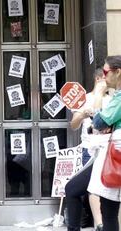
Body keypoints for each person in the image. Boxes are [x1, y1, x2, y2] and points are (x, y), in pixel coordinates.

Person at [65, 68, 111, 231]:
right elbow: (74, 124)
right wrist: (83, 114)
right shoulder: (84, 99)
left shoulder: (113, 100)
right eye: (106, 77)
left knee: (97, 190)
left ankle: (99, 224)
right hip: (89, 150)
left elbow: (101, 124)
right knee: (88, 188)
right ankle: (98, 223)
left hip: (107, 152)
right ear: (98, 79)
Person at [89, 56, 121, 231]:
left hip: (117, 155)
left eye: (106, 72)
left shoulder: (119, 98)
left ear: (118, 72)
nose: (103, 76)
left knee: (108, 209)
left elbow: (99, 123)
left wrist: (99, 95)